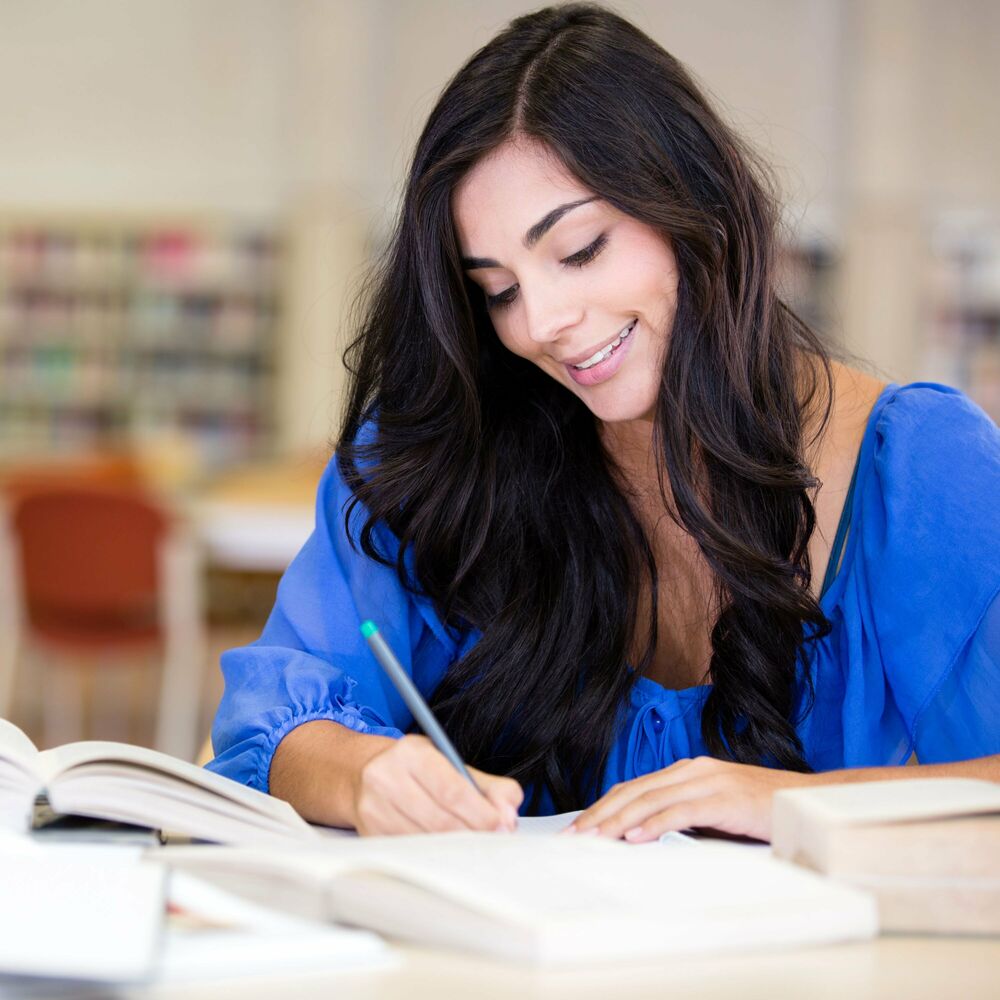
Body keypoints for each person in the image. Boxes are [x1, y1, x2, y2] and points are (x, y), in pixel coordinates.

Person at [206, 3, 1000, 840]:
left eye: (580, 249)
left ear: (699, 207)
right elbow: (270, 720)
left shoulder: (921, 472)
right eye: (498, 290)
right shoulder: (439, 462)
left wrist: (783, 803)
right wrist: (360, 772)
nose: (541, 321)